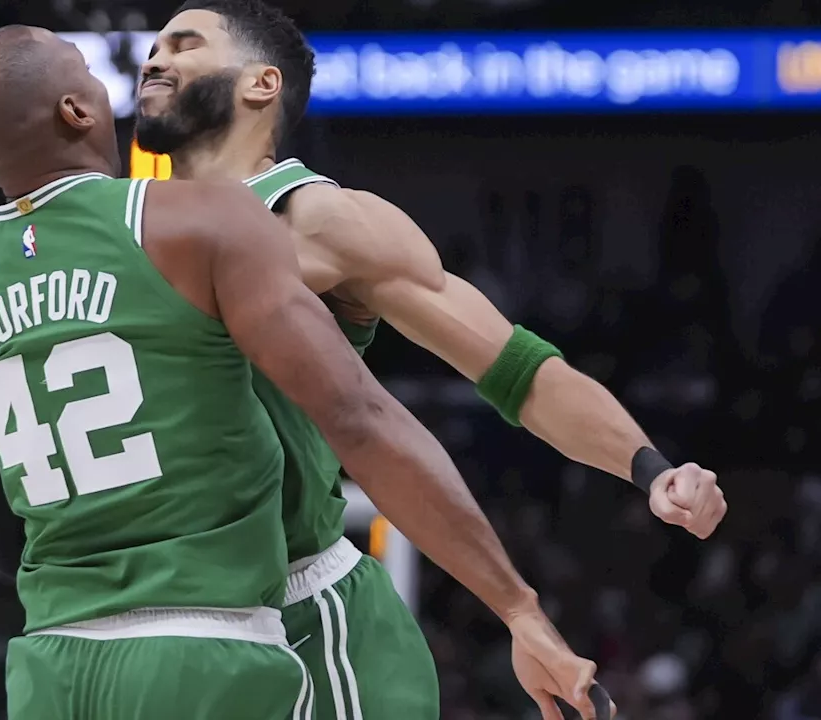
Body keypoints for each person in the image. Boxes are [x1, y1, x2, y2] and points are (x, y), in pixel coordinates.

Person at [0, 25, 609, 720]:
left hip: (50, 666)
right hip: (202, 646)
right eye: (88, 72)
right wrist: (520, 609)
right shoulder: (192, 220)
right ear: (76, 112)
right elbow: (360, 419)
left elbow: (0, 528)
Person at [134, 1, 726, 718]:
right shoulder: (109, 224)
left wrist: (651, 469)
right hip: (141, 613)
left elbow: (514, 369)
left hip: (292, 621)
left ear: (261, 84)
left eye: (184, 44)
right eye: (155, 44)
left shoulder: (317, 218)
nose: (154, 58)